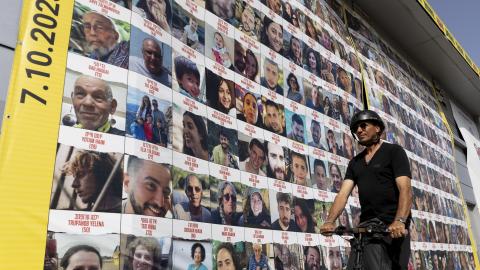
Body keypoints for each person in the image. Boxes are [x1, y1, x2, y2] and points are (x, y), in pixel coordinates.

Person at [320, 110, 413, 269]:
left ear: (377, 128)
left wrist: (400, 221)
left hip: (392, 229)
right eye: (356, 128)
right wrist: (330, 221)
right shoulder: (355, 163)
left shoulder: (394, 152)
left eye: (363, 125)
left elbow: (405, 190)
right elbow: (342, 195)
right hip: (367, 229)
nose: (359, 130)